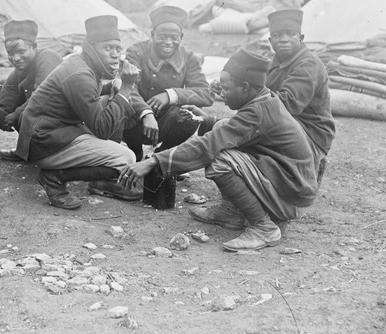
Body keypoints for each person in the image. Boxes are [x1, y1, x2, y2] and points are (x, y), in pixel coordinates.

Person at [120, 48, 317, 251]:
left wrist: (154, 161)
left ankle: (263, 227)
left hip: (292, 194)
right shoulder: (264, 100)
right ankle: (231, 212)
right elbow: (236, 128)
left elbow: (208, 145)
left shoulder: (257, 111)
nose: (222, 94)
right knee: (220, 129)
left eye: (226, 88)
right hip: (289, 182)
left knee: (219, 160)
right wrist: (210, 120)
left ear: (245, 87)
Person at [15, 15, 147, 209]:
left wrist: (116, 88)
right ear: (91, 48)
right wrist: (126, 88)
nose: (115, 55)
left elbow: (90, 96)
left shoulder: (80, 63)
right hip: (44, 142)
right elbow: (102, 128)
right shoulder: (81, 74)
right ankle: (54, 178)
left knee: (111, 100)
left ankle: (104, 179)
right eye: (107, 48)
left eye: (118, 49)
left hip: (51, 132)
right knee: (125, 157)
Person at [124, 5, 213, 160]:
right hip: (136, 119)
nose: (168, 42)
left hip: (166, 120)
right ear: (152, 34)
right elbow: (128, 87)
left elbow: (205, 94)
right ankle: (134, 152)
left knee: (190, 116)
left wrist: (170, 95)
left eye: (174, 37)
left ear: (181, 37)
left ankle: (162, 156)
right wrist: (146, 113)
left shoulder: (188, 57)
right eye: (162, 36)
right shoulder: (136, 51)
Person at [266, 8, 335, 184]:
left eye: (290, 34)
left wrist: (246, 93)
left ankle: (310, 167)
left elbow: (288, 103)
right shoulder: (273, 63)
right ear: (270, 41)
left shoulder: (309, 63)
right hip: (289, 123)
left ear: (301, 38)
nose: (283, 40)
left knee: (255, 128)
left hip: (312, 131)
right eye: (277, 35)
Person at [0, 19, 62, 161]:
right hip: (45, 124)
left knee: (25, 112)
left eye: (21, 51)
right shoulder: (17, 72)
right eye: (10, 53)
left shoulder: (48, 57)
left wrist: (16, 114)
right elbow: (4, 114)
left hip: (66, 123)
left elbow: (43, 96)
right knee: (1, 88)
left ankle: (43, 152)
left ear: (34, 46)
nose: (15, 58)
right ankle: (31, 149)